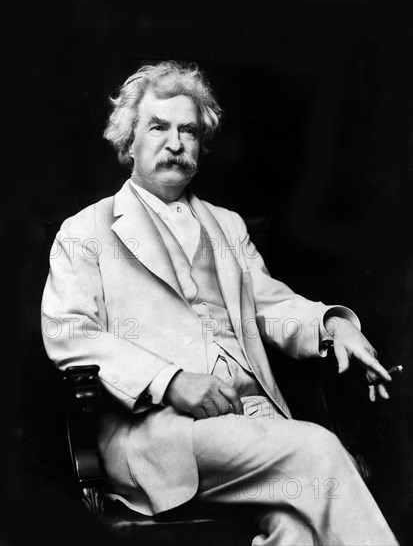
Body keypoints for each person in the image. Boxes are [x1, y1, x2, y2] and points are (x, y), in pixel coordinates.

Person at [41, 61, 399, 545]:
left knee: (297, 527)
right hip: (162, 434)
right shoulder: (84, 231)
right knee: (319, 451)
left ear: (201, 144)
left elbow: (272, 306)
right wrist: (169, 381)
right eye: (158, 127)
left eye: (187, 130)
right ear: (129, 142)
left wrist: (335, 326)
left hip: (257, 420)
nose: (175, 142)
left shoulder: (227, 225)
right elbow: (70, 332)